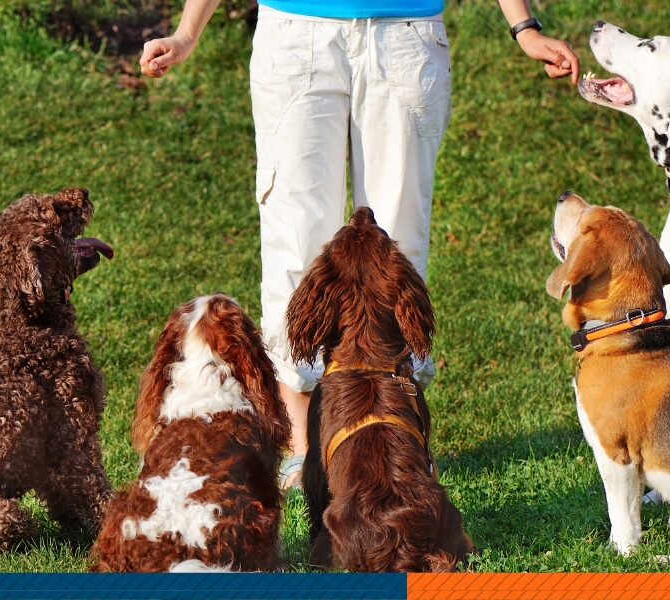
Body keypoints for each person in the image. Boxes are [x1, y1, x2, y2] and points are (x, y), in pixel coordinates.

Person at [139, 0, 579, 489]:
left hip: (405, 35)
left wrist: (523, 27)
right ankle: (304, 448)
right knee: (296, 243)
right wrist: (186, 33)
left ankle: (398, 433)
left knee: (397, 252)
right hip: (295, 32)